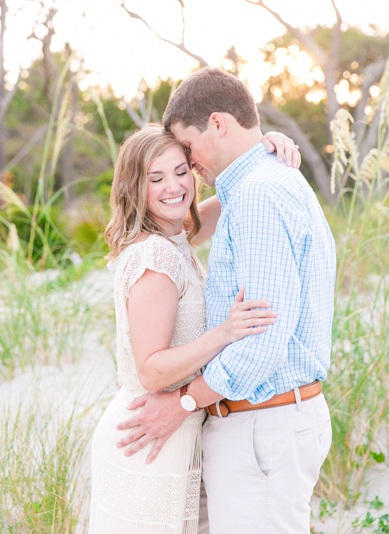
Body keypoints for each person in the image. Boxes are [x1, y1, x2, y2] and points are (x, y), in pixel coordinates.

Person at [116, 68, 336, 534]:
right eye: (159, 175)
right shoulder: (256, 186)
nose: (190, 169)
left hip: (263, 426)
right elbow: (186, 222)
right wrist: (263, 143)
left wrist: (183, 404)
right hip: (262, 425)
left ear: (218, 123)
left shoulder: (258, 194)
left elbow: (261, 345)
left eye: (187, 153)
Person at [88, 123, 298, 533]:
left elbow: (237, 194)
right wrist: (225, 332)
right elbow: (151, 370)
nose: (174, 187)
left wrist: (264, 145)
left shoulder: (174, 237)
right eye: (156, 177)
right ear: (136, 186)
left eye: (181, 171)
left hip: (170, 430)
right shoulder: (155, 257)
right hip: (148, 437)